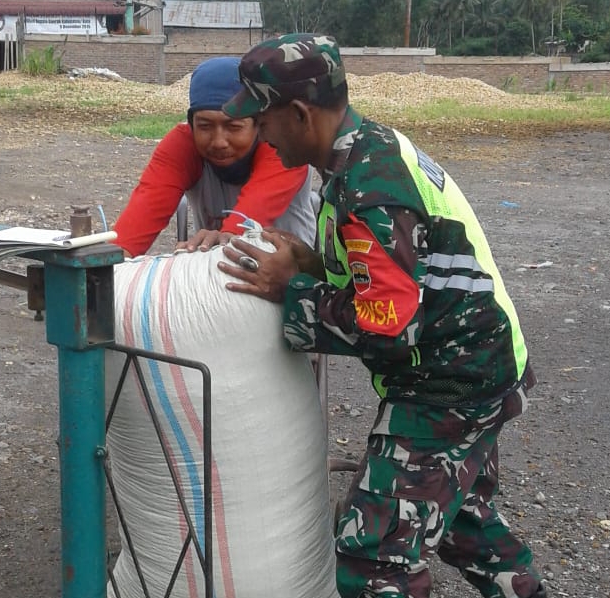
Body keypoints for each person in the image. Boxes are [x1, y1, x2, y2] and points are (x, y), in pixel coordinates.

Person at [217, 33, 547, 598]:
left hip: (450, 385)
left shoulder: (368, 187)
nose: (261, 136)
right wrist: (314, 264)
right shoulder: (368, 150)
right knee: (461, 525)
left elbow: (389, 322)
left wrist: (290, 291)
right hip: (480, 364)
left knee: (373, 557)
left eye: (263, 120)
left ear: (299, 114)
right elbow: (395, 270)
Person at [112, 56, 317, 257]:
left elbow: (250, 216)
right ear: (192, 124)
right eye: (205, 126)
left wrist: (227, 236)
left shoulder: (283, 145)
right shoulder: (183, 144)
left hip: (291, 272)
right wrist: (107, 264)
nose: (219, 142)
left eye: (233, 126)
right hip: (214, 267)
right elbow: (136, 224)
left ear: (259, 124)